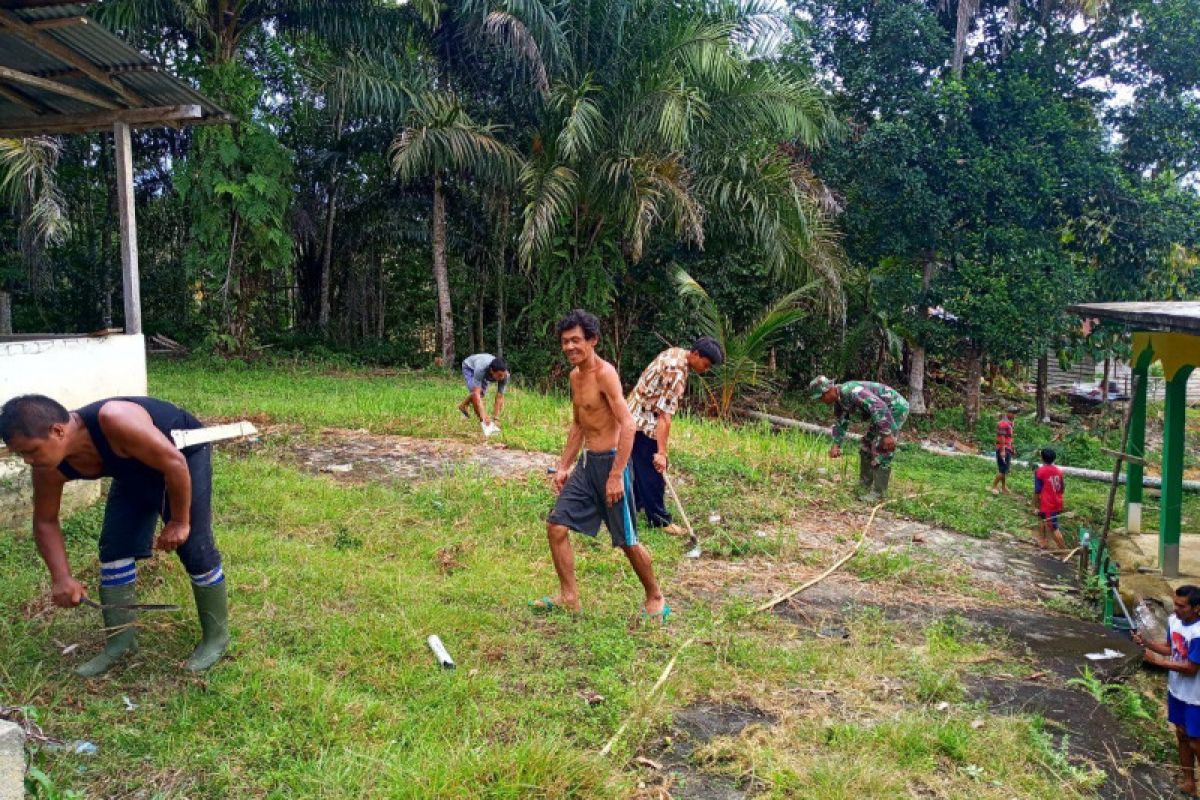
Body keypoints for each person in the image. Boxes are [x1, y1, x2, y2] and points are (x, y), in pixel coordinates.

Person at [0, 394, 229, 676]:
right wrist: (62, 577)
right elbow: (45, 521)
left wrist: (180, 521)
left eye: (31, 451)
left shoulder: (115, 419)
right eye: (20, 454)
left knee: (194, 547)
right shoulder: (48, 467)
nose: (28, 460)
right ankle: (121, 642)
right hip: (132, 467)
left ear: (58, 431)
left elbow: (174, 464)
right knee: (115, 547)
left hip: (181, 455)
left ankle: (217, 638)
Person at [535, 309, 668, 621]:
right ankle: (568, 596)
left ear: (592, 340)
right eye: (565, 342)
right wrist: (564, 466)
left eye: (576, 340)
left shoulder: (605, 374)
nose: (569, 347)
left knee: (627, 542)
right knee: (556, 526)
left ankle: (656, 595)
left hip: (612, 464)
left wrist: (616, 474)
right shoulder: (574, 376)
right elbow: (579, 425)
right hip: (587, 465)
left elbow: (628, 424)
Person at [626, 337, 724, 532]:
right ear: (696, 354)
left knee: (639, 466)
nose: (705, 370)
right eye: (705, 364)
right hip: (645, 421)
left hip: (632, 413)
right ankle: (660, 521)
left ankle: (634, 505)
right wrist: (662, 452)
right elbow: (664, 417)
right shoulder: (677, 373)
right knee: (654, 471)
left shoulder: (676, 353)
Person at [1134, 585, 1200, 797]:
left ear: (1197, 608)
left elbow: (1191, 668)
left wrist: (1158, 663)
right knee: (1181, 735)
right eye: (1175, 604)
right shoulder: (1174, 621)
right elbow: (1171, 648)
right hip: (1177, 691)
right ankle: (1189, 782)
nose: (1176, 610)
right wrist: (1146, 643)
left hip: (1196, 697)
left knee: (1196, 741)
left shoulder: (1199, 633)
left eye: (1181, 606)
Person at [809, 376, 908, 501]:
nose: (822, 401)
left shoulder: (852, 391)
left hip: (894, 408)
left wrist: (887, 434)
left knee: (882, 447)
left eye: (821, 397)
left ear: (828, 390)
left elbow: (878, 406)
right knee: (866, 445)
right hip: (881, 413)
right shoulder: (839, 401)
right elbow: (841, 422)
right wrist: (836, 445)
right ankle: (864, 485)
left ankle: (879, 493)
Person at [457, 353, 509, 434]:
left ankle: (463, 405)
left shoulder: (505, 376)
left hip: (485, 369)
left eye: (503, 374)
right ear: (492, 371)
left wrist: (496, 418)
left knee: (481, 394)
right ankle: (483, 423)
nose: (502, 378)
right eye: (499, 375)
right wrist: (484, 416)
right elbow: (476, 394)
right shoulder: (481, 369)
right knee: (477, 395)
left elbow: (499, 397)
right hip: (469, 367)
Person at [1033, 447, 1066, 550]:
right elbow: (1062, 488)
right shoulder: (1059, 471)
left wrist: (1035, 506)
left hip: (1048, 504)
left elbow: (1037, 491)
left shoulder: (1040, 472)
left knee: (1053, 528)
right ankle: (1042, 541)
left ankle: (1064, 550)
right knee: (1042, 518)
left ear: (1042, 458)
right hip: (1057, 501)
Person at [991, 407, 1017, 495]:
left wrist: (1012, 447)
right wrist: (1002, 450)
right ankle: (993, 486)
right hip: (1003, 448)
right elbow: (1002, 438)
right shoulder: (1003, 424)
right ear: (1008, 412)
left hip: (1007, 448)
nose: (1014, 415)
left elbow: (1009, 437)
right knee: (1003, 469)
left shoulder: (1010, 423)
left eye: (1015, 413)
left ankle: (1003, 487)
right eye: (1012, 413)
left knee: (1004, 469)